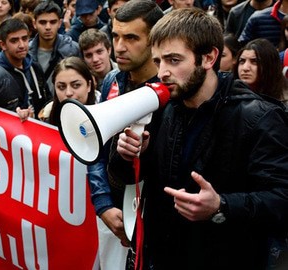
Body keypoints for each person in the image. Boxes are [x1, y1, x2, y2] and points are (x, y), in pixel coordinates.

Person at [110, 8, 288, 269]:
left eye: (174, 60)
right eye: (158, 61)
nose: (162, 73)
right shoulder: (161, 108)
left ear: (208, 57)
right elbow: (127, 179)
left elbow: (281, 199)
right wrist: (130, 155)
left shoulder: (260, 117)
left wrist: (221, 206)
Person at [85, 1, 163, 269]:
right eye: (116, 36)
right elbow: (96, 146)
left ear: (155, 41)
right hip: (115, 210)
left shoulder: (171, 90)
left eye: (131, 37)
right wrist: (103, 202)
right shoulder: (112, 81)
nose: (119, 47)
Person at [0, 18, 51, 120]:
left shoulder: (35, 67)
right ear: (3, 45)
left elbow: (47, 98)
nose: (22, 45)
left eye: (24, 39)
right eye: (14, 41)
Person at [29, 1, 80, 93]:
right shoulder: (26, 52)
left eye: (53, 22)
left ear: (60, 23)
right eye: (43, 22)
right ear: (34, 24)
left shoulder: (73, 49)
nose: (48, 27)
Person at [39, 56, 96, 125]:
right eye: (61, 87)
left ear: (89, 86)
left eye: (76, 85)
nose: (68, 93)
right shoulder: (46, 117)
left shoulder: (104, 112)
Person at [235, 38, 288, 104]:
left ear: (269, 65)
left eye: (254, 62)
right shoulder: (229, 97)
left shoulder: (284, 102)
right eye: (242, 61)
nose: (245, 68)